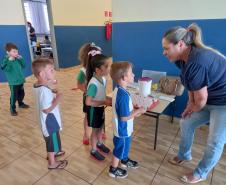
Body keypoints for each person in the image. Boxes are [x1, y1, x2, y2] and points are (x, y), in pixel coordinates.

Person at [162, 23, 226, 183]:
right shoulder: (182, 59)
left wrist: (192, 107)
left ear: (181, 44)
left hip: (223, 103)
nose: (164, 52)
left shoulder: (197, 61)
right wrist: (190, 104)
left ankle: (201, 173)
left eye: (166, 48)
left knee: (215, 141)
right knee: (185, 123)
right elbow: (190, 83)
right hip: (208, 99)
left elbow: (201, 100)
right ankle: (184, 155)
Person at [109, 62, 146, 178]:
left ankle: (124, 160)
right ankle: (113, 170)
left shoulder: (120, 90)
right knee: (119, 149)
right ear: (124, 77)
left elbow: (123, 110)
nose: (134, 75)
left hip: (121, 128)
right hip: (123, 129)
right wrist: (138, 111)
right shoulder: (123, 96)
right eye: (131, 73)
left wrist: (133, 109)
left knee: (124, 146)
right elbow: (124, 117)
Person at [32, 58, 67, 170]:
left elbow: (44, 89)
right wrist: (58, 98)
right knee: (51, 140)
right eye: (51, 70)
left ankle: (55, 151)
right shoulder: (44, 91)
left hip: (45, 120)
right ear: (42, 74)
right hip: (49, 120)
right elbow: (47, 109)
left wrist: (52, 90)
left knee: (52, 138)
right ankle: (52, 162)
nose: (54, 72)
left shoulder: (37, 85)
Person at [76, 42, 106, 145]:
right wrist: (88, 92)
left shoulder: (101, 71)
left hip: (99, 99)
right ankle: (86, 134)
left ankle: (100, 131)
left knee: (100, 115)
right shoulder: (83, 71)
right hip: (89, 98)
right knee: (88, 116)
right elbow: (79, 85)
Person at [85, 52, 112, 161]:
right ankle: (94, 150)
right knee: (95, 130)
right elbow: (88, 102)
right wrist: (103, 102)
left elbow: (101, 95)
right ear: (98, 70)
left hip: (100, 108)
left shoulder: (103, 79)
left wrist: (109, 100)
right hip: (93, 110)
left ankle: (100, 143)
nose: (108, 68)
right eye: (106, 66)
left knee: (101, 127)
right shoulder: (93, 84)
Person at [1, 43, 29, 116]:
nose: (16, 53)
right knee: (14, 96)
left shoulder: (17, 59)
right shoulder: (5, 60)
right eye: (14, 51)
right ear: (8, 52)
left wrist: (21, 58)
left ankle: (21, 103)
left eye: (17, 51)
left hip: (20, 81)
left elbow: (24, 66)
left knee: (22, 94)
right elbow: (5, 68)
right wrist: (9, 61)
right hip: (13, 83)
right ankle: (12, 109)